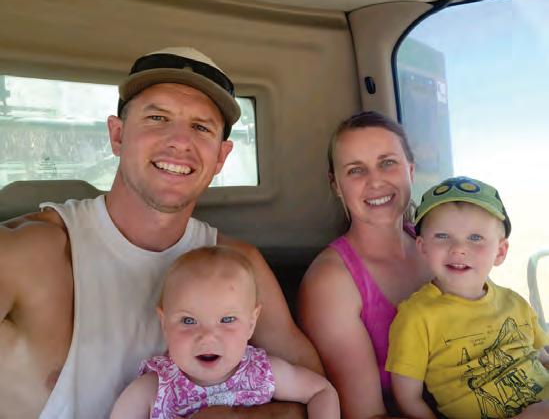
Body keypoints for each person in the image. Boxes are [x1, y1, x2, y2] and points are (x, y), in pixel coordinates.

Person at [0, 46, 322, 419]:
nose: (180, 141)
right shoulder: (31, 252)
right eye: (157, 118)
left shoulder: (241, 265)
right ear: (117, 135)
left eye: (201, 127)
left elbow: (315, 390)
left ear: (220, 157)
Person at [298, 111, 432, 418]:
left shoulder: (438, 245)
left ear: (410, 170)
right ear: (336, 185)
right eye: (356, 170)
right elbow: (367, 414)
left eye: (387, 163)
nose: (375, 181)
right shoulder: (331, 282)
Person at [386, 176, 549, 419]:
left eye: (475, 238)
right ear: (423, 247)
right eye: (442, 236)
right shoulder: (416, 317)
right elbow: (408, 398)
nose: (459, 248)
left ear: (500, 251)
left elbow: (542, 358)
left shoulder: (514, 303)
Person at [111, 246, 340, 419]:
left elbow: (321, 391)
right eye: (188, 321)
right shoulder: (153, 389)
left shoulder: (262, 372)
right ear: (164, 323)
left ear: (251, 324)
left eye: (227, 320)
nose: (208, 336)